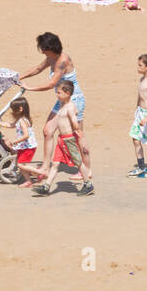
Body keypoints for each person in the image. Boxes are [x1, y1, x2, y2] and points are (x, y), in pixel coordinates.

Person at [18, 32, 92, 185]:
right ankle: (45, 166)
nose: (42, 52)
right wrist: (20, 77)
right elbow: (38, 68)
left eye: (44, 49)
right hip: (61, 101)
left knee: (78, 135)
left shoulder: (62, 60)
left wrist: (30, 88)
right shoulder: (51, 57)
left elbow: (52, 83)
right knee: (47, 131)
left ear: (51, 48)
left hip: (74, 101)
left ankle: (87, 169)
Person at [31, 81, 93, 196]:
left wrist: (77, 132)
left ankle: (88, 184)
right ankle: (46, 186)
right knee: (55, 163)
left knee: (78, 163)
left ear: (67, 93)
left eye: (59, 93)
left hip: (69, 139)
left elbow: (75, 122)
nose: (57, 95)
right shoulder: (62, 105)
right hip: (61, 139)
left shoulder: (70, 107)